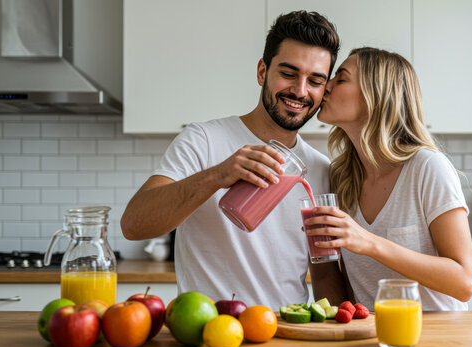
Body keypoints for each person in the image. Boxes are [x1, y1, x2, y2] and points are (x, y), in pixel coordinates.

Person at [120, 11, 340, 311]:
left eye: (315, 80)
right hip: (208, 333)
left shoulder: (320, 169)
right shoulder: (203, 140)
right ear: (263, 71)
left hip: (287, 335)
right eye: (288, 73)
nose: (300, 91)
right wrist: (217, 175)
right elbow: (134, 225)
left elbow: (325, 273)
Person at [309, 47, 472, 311]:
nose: (324, 86)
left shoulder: (428, 168)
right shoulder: (341, 178)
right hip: (371, 341)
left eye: (340, 79)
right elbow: (343, 285)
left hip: (438, 341)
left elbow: (464, 283)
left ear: (375, 95)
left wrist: (369, 243)